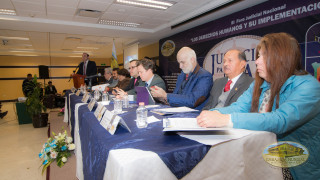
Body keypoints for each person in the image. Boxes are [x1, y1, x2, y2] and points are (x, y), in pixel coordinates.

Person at [196, 33, 320, 180]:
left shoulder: (309, 86)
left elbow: (280, 120)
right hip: (263, 157)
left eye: (262, 56)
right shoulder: (259, 83)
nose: (257, 62)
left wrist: (225, 119)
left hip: (296, 166)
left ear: (281, 57)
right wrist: (212, 113)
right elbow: (239, 107)